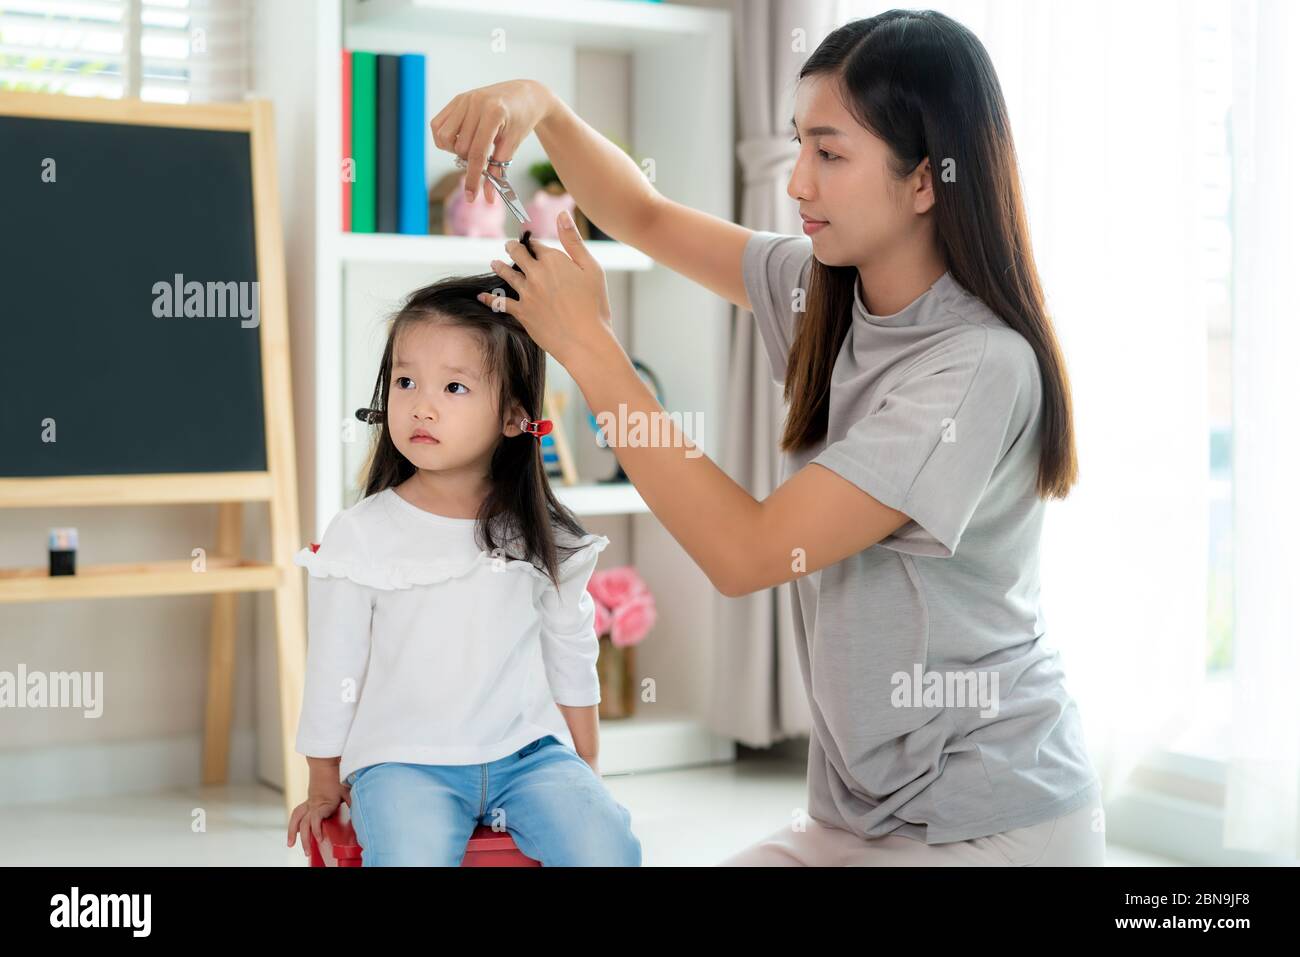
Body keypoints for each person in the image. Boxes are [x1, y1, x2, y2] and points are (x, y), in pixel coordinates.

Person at [431, 9, 1104, 865]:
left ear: (927, 179)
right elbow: (642, 214)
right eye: (798, 147)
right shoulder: (822, 291)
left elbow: (749, 551)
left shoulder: (977, 368)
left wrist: (590, 349)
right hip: (854, 817)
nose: (798, 184)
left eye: (830, 153)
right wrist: (547, 109)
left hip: (994, 820)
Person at [285, 270, 642, 866]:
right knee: (407, 856)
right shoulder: (362, 535)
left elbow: (570, 646)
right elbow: (333, 664)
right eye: (405, 381)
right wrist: (323, 779)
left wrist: (585, 761)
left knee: (605, 846)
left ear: (513, 417)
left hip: (529, 755)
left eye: (454, 388)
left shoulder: (542, 534)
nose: (421, 405)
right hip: (403, 763)